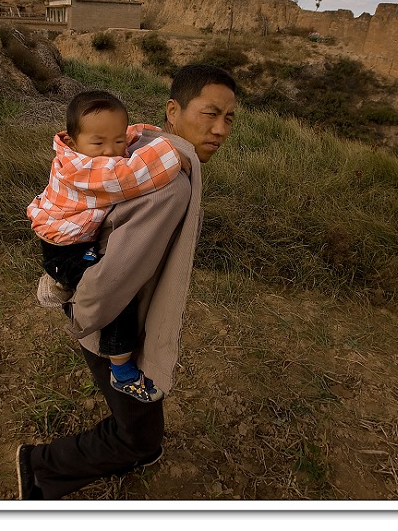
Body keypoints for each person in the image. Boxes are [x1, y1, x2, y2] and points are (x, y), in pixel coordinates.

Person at [16, 64, 238, 500]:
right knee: (138, 432)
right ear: (173, 111)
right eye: (209, 114)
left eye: (229, 118)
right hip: (110, 314)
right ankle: (39, 469)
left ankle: (137, 447)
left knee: (139, 421)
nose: (220, 129)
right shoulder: (169, 182)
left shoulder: (148, 146)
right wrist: (87, 317)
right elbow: (115, 275)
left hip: (107, 301)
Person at [26, 90, 190, 403]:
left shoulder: (86, 148)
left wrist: (142, 133)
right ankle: (122, 371)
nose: (111, 151)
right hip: (66, 248)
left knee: (102, 270)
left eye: (117, 142)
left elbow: (121, 135)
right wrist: (170, 156)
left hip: (73, 239)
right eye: (99, 143)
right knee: (116, 296)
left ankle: (58, 279)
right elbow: (130, 176)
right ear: (74, 144)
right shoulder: (84, 170)